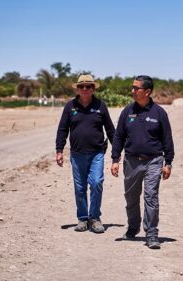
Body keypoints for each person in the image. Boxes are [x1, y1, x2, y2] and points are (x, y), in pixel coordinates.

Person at [111, 75, 174, 250]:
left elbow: (167, 139)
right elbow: (119, 137)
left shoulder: (159, 113)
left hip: (154, 161)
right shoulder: (127, 112)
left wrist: (168, 162)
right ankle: (133, 227)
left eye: (136, 88)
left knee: (151, 197)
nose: (133, 91)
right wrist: (115, 159)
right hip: (131, 161)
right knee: (131, 198)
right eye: (132, 87)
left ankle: (152, 233)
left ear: (147, 91)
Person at [55, 74, 115, 234]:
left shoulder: (101, 106)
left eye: (88, 86)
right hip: (77, 154)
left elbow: (110, 129)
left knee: (96, 183)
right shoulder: (70, 107)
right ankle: (82, 218)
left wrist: (117, 151)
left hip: (97, 153)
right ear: (78, 89)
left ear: (93, 88)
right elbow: (62, 130)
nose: (85, 89)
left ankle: (94, 218)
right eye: (82, 86)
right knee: (80, 188)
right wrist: (59, 150)